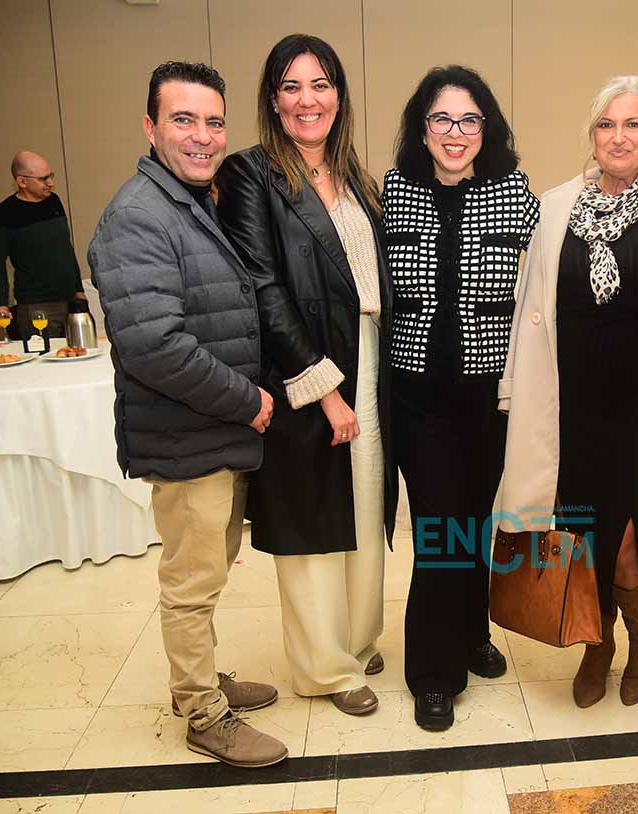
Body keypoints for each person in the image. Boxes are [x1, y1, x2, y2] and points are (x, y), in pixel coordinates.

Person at [89, 61, 285, 768]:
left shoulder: (190, 201)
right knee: (192, 583)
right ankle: (203, 711)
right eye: (183, 120)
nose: (203, 136)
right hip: (189, 435)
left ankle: (201, 681)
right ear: (151, 127)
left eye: (213, 122)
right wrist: (249, 401)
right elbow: (155, 347)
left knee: (208, 573)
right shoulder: (139, 217)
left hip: (211, 434)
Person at [499, 77, 638, 709]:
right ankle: (599, 641)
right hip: (570, 408)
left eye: (633, 124)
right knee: (580, 530)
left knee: (628, 541)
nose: (619, 137)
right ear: (592, 135)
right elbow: (530, 308)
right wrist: (517, 390)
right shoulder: (555, 207)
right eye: (606, 125)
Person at [215, 34, 396, 717]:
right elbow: (262, 287)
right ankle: (325, 667)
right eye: (291, 86)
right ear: (272, 100)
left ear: (339, 96)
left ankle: (356, 637)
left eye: (320, 84)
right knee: (314, 521)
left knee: (363, 506)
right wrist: (324, 390)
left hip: (368, 357)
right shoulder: (250, 174)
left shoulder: (356, 178)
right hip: (305, 369)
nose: (307, 99)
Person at [383, 66, 539, 730]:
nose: (455, 132)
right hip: (417, 398)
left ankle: (472, 632)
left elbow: (546, 282)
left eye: (468, 119)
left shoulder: (515, 194)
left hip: (489, 398)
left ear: (486, 128)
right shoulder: (393, 191)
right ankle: (433, 671)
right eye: (441, 119)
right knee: (438, 531)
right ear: (422, 129)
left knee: (473, 521)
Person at [0, 150, 85, 339]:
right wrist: (0, 303)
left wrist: (78, 289)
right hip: (37, 306)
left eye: (51, 176)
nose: (51, 183)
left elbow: (66, 249)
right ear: (22, 182)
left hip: (70, 300)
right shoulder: (4, 213)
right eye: (43, 179)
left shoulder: (54, 201)